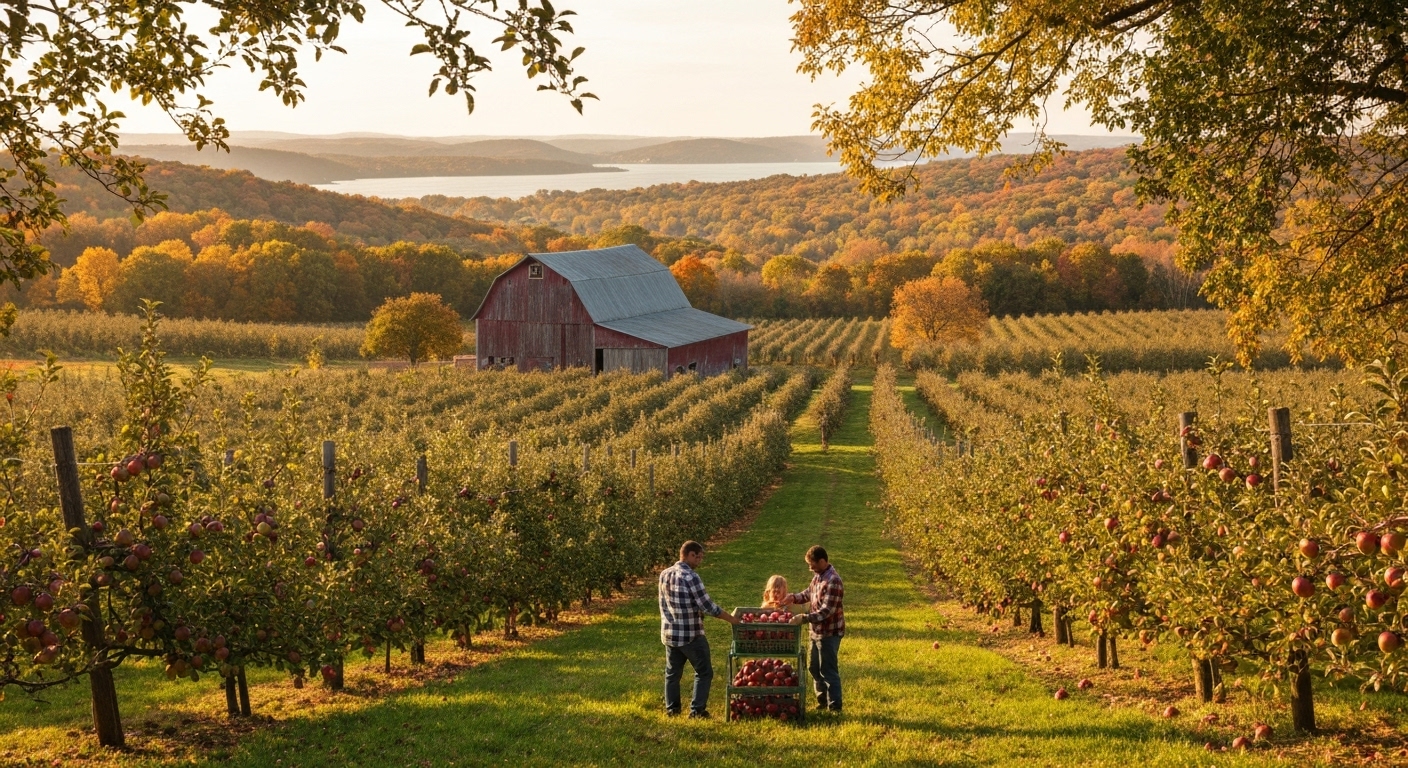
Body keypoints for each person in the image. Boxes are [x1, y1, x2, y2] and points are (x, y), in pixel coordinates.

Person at [658, 540, 740, 718]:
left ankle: (672, 710)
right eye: (699, 557)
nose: (700, 561)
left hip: (670, 634)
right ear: (690, 555)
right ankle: (697, 711)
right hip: (691, 635)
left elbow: (665, 605)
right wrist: (732, 620)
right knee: (704, 672)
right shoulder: (691, 577)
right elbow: (708, 606)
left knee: (672, 674)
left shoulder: (665, 574)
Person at [787, 545, 845, 713]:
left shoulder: (833, 581)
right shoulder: (818, 576)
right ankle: (822, 701)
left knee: (828, 670)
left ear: (822, 561)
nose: (810, 568)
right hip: (816, 631)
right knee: (814, 668)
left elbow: (827, 611)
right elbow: (808, 593)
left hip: (829, 632)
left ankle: (835, 707)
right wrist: (793, 597)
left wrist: (804, 618)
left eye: (812, 564)